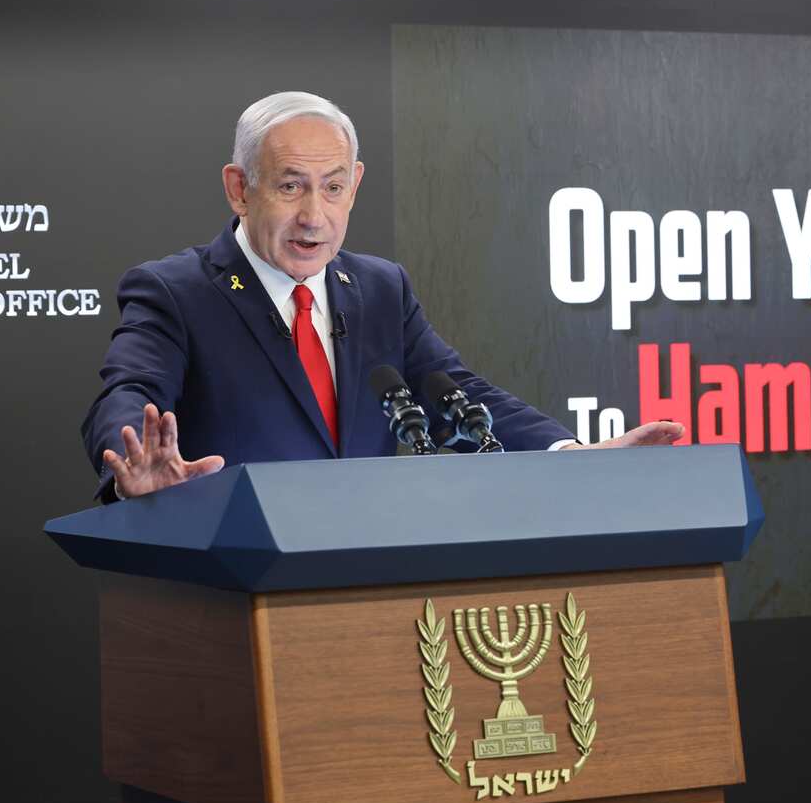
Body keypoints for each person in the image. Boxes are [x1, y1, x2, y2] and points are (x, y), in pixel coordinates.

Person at [83, 91, 682, 501]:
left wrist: (569, 453)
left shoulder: (378, 289)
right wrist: (133, 462)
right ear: (240, 189)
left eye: (334, 187)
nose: (314, 216)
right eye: (291, 187)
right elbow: (129, 395)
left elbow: (457, 399)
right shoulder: (177, 291)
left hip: (364, 592)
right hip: (234, 599)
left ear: (355, 185)